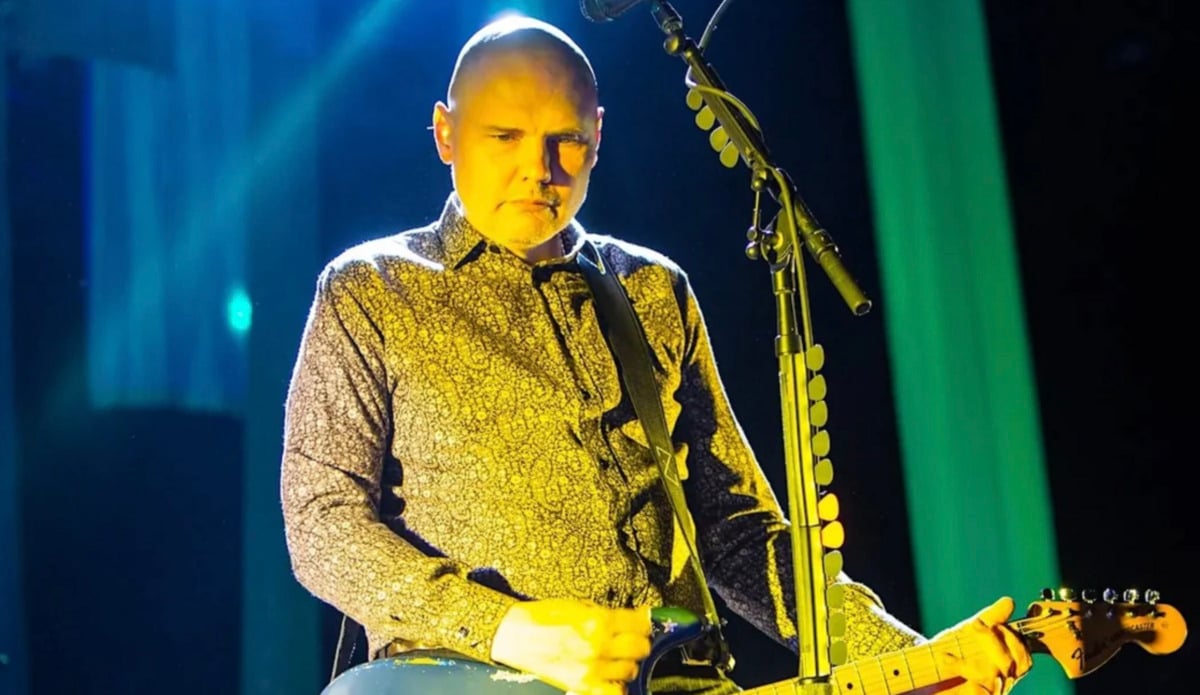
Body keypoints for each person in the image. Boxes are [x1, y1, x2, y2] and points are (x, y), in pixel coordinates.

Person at [280, 14, 1031, 695]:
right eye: (503, 137)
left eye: (565, 139)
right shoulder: (371, 289)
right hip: (459, 674)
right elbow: (323, 523)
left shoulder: (651, 289)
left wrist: (915, 655)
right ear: (446, 133)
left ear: (598, 134)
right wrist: (513, 629)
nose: (539, 168)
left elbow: (739, 532)